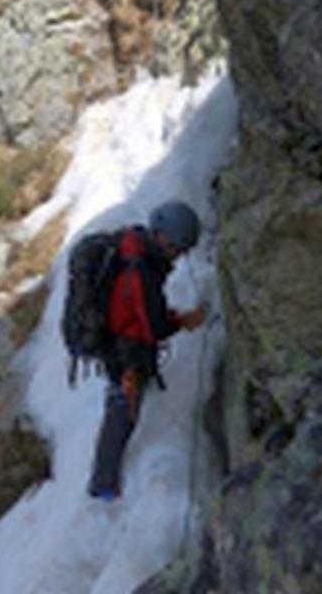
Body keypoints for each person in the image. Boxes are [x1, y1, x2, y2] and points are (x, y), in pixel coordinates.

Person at [84, 200, 207, 501]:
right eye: (178, 248)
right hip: (123, 350)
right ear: (163, 236)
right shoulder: (141, 270)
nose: (179, 256)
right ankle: (103, 485)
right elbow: (154, 327)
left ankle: (104, 480)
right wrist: (185, 321)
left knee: (126, 399)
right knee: (122, 409)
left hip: (119, 338)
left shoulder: (136, 249)